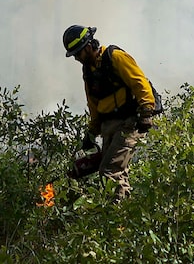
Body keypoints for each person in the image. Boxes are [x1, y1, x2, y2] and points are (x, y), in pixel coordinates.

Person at [63, 24, 157, 201]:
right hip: (109, 126)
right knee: (113, 172)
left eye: (78, 53)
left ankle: (116, 218)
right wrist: (92, 131)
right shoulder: (88, 71)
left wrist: (146, 112)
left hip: (129, 122)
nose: (76, 58)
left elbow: (140, 83)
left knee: (110, 171)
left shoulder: (115, 57)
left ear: (89, 47)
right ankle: (124, 214)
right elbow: (94, 104)